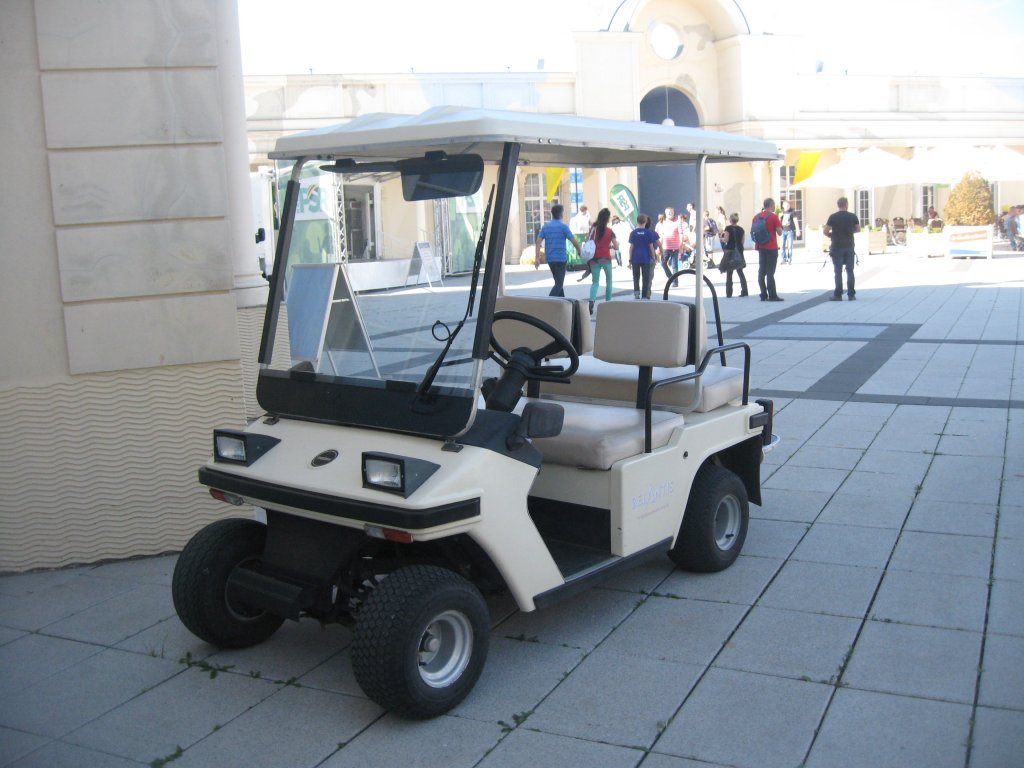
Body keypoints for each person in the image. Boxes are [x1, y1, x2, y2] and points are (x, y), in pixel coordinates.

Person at [535, 204, 581, 297]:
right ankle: (549, 301)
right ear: (561, 214)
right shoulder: (563, 227)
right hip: (561, 259)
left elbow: (538, 241)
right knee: (559, 284)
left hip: (550, 259)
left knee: (558, 282)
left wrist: (537, 257)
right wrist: (579, 251)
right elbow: (574, 241)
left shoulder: (546, 227)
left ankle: (562, 301)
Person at [822, 196, 861, 301]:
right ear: (846, 204)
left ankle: (838, 294)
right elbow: (858, 229)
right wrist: (850, 232)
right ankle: (851, 295)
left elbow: (825, 231)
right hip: (849, 246)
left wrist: (831, 235)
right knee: (850, 271)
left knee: (838, 272)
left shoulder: (833, 217)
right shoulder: (852, 216)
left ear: (838, 205)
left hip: (837, 246)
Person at [586, 208, 618, 312]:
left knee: (595, 282)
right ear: (607, 219)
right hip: (606, 258)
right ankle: (608, 302)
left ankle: (592, 301)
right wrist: (610, 246)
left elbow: (587, 241)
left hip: (594, 258)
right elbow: (616, 246)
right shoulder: (610, 231)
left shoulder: (593, 229)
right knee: (609, 281)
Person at [752, 198, 784, 301]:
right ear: (772, 205)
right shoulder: (773, 217)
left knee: (761, 271)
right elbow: (780, 232)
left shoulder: (756, 217)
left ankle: (763, 294)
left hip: (761, 246)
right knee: (770, 272)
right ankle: (772, 295)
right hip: (771, 247)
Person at [628, 213, 659, 299]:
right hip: (646, 258)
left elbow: (631, 247)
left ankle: (636, 293)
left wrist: (630, 259)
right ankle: (644, 295)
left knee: (636, 276)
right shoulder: (649, 233)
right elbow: (651, 246)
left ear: (637, 222)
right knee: (646, 278)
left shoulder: (633, 233)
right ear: (646, 222)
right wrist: (654, 258)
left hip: (635, 258)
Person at [719, 213, 748, 298]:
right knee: (740, 271)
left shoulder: (727, 228)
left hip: (730, 250)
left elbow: (726, 239)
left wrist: (721, 239)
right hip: (739, 251)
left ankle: (729, 292)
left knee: (729, 272)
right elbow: (742, 242)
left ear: (730, 220)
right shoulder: (741, 229)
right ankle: (744, 290)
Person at [656, 207, 685, 286]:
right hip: (665, 247)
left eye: (671, 212)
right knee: (663, 263)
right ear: (665, 213)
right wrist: (659, 247)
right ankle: (671, 277)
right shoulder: (663, 223)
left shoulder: (678, 222)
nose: (669, 213)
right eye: (668, 212)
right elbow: (662, 236)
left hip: (675, 247)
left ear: (673, 213)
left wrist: (681, 246)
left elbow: (681, 235)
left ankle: (675, 282)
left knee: (674, 266)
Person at [779, 200, 800, 264]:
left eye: (788, 205)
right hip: (783, 231)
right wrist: (779, 216)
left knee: (790, 246)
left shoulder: (792, 212)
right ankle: (783, 259)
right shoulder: (781, 212)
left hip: (790, 231)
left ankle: (789, 259)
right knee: (782, 245)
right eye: (786, 205)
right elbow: (778, 222)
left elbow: (795, 221)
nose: (787, 206)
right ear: (783, 206)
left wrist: (798, 229)